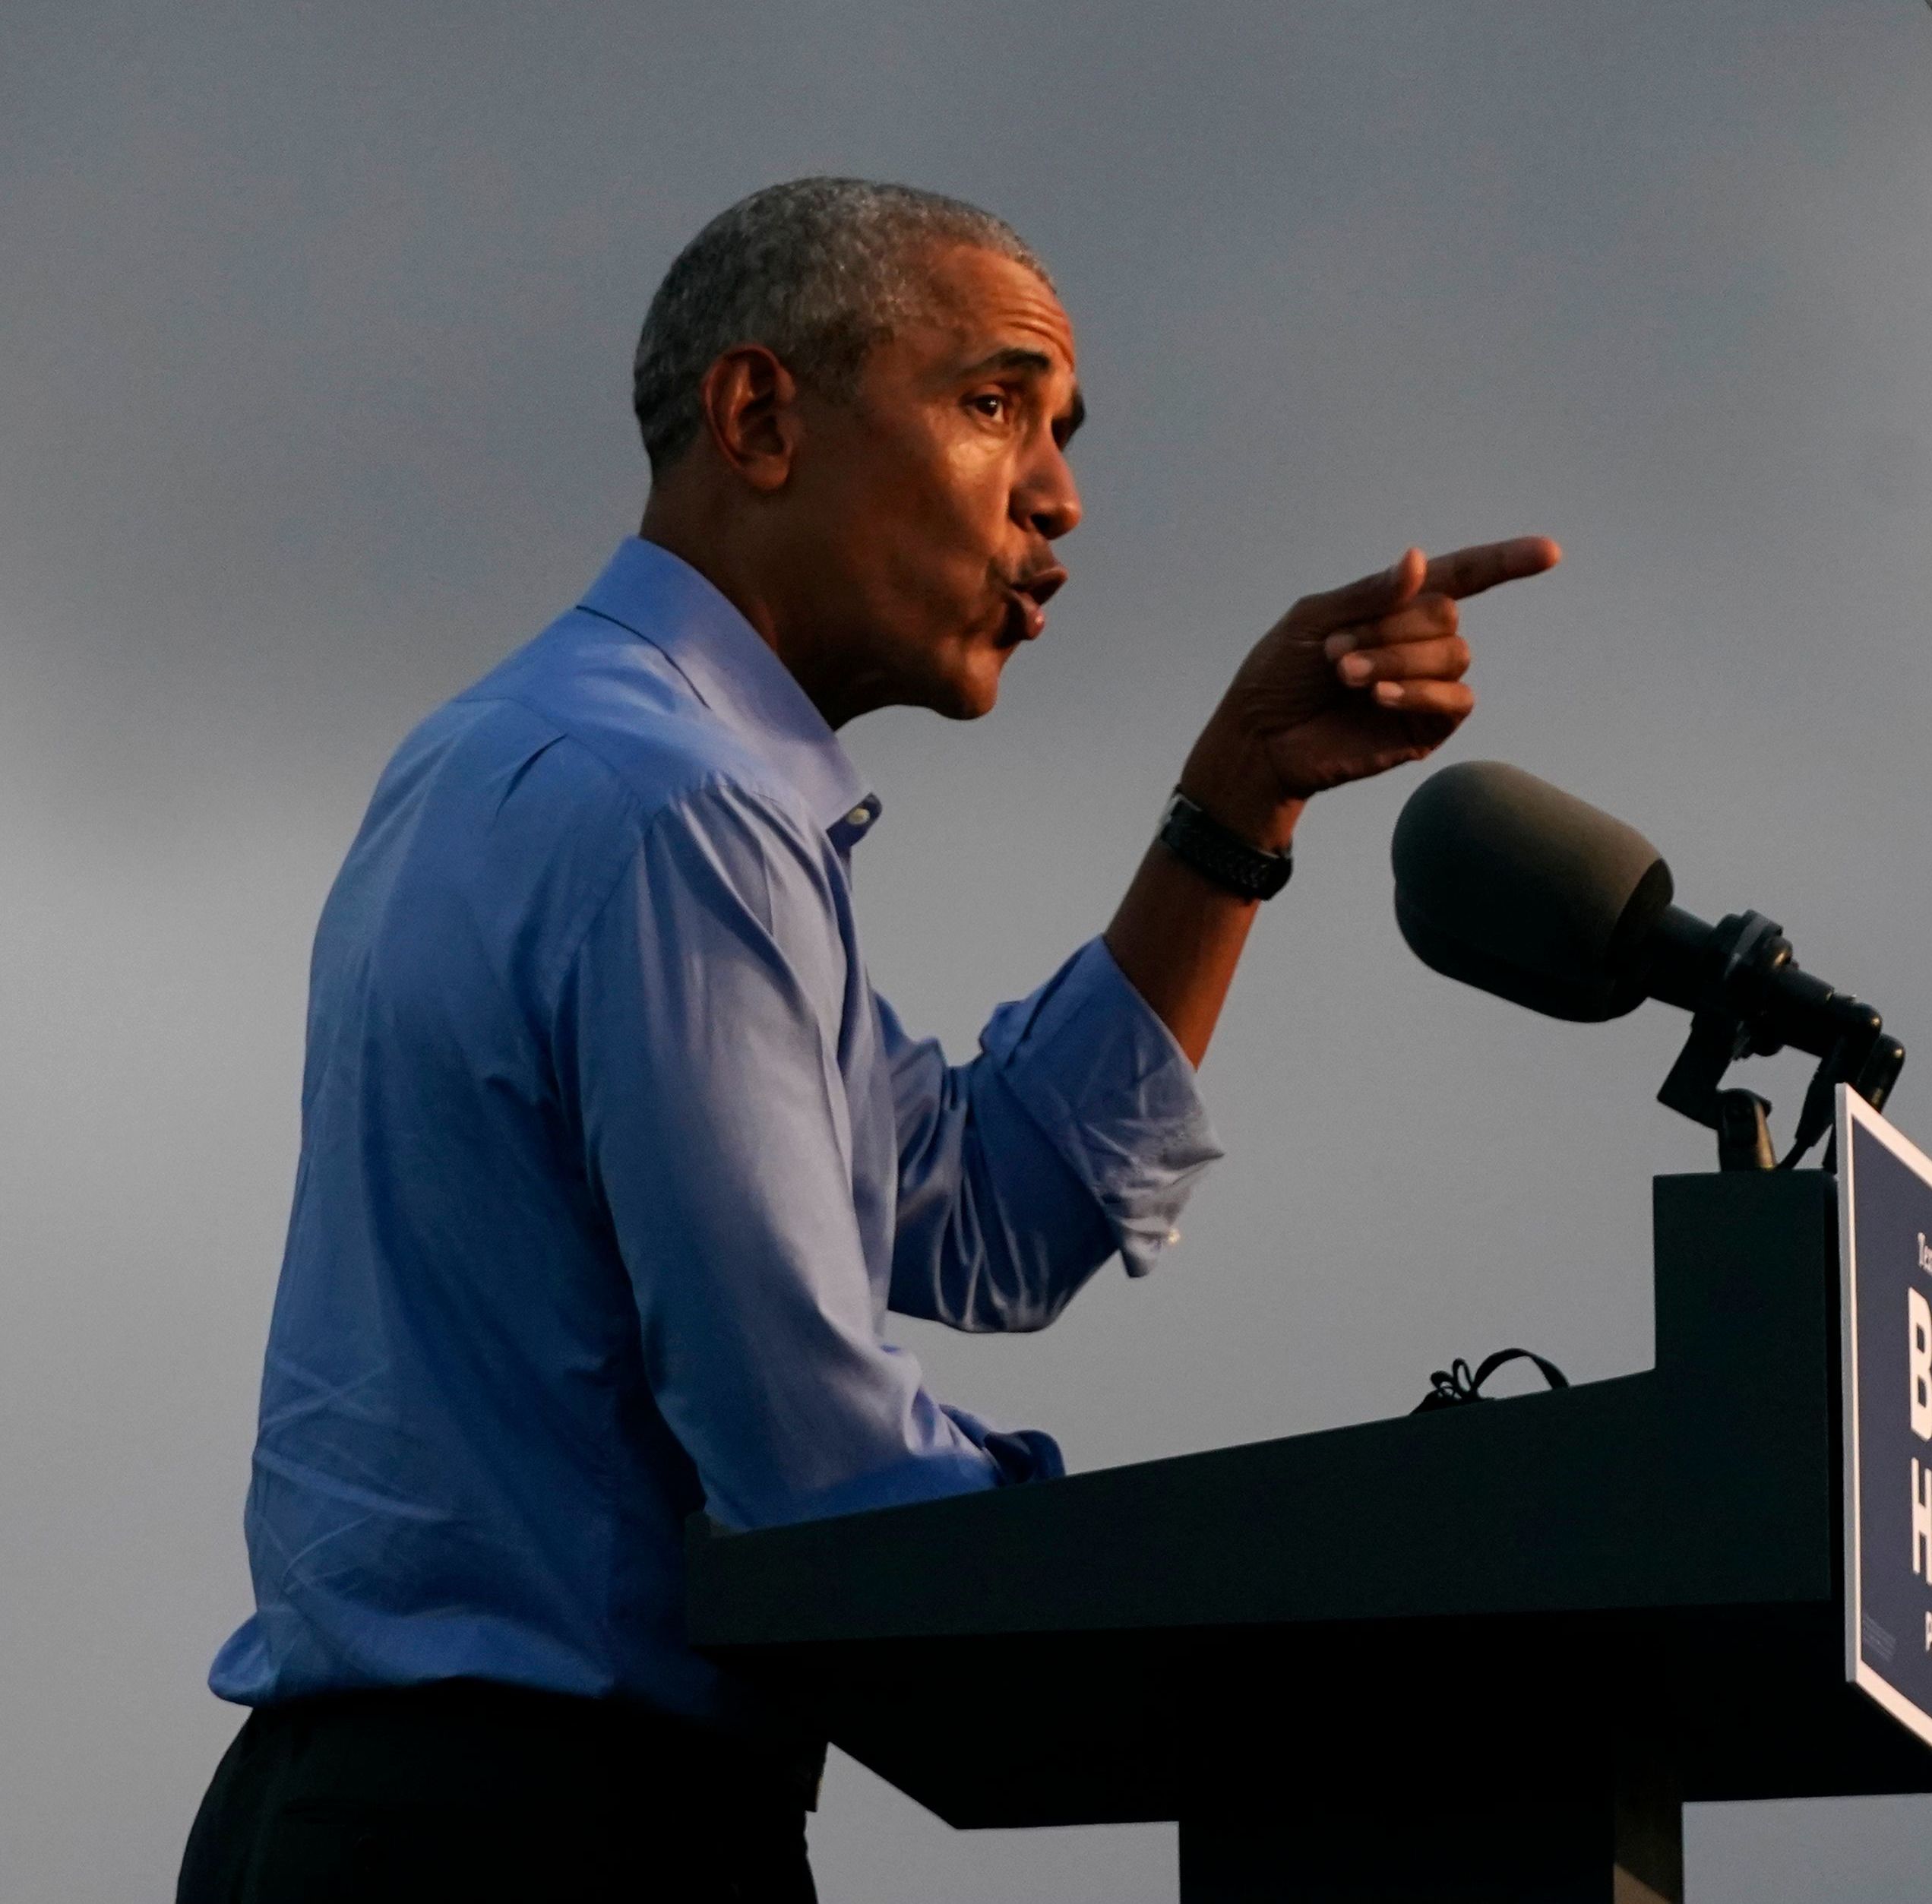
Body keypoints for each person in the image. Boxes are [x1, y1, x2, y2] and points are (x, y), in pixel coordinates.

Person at [175, 177, 1558, 1902]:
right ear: (758, 417)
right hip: (538, 1828)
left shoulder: (542, 751)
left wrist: (1240, 795)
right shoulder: (675, 814)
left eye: (1059, 430)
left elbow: (987, 1206)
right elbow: (809, 1455)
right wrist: (1281, 1590)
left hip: (382, 1810)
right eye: (994, 404)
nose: (1056, 494)